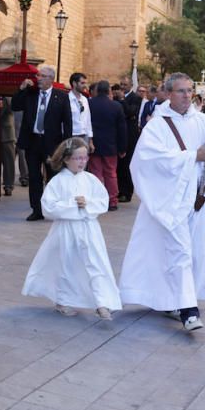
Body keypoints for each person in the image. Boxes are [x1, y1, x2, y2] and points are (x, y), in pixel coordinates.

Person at [118, 73, 205, 332]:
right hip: (168, 200)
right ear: (169, 94)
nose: (186, 96)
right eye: (181, 91)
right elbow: (147, 161)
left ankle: (172, 299)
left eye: (189, 90)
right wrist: (192, 156)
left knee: (190, 251)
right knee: (179, 251)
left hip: (197, 199)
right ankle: (189, 310)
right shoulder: (157, 126)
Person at [22, 137, 121, 320]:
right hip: (66, 230)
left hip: (89, 229)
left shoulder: (90, 180)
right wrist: (73, 205)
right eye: (77, 158)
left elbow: (103, 201)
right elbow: (48, 207)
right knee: (67, 265)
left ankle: (102, 302)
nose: (82, 162)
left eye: (85, 158)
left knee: (96, 263)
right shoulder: (58, 182)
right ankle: (63, 300)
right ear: (66, 159)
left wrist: (88, 204)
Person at [13, 65, 72, 221]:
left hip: (52, 144)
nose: (38, 78)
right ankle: (36, 210)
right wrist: (21, 88)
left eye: (42, 76)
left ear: (50, 79)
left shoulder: (61, 96)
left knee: (53, 178)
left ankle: (53, 208)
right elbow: (15, 105)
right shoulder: (30, 94)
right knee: (34, 177)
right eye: (38, 75)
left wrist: (66, 146)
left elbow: (67, 122)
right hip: (32, 142)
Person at [88, 80, 126, 211]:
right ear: (108, 91)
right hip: (111, 145)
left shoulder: (89, 104)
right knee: (111, 173)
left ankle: (98, 199)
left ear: (97, 90)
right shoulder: (116, 106)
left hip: (94, 144)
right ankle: (112, 200)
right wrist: (122, 148)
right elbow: (122, 129)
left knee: (96, 172)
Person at [118, 81, 144, 203]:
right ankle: (119, 190)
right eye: (121, 84)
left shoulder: (136, 98)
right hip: (119, 133)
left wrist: (122, 100)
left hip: (130, 135)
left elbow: (130, 112)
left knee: (127, 164)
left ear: (131, 85)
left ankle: (127, 192)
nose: (122, 87)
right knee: (119, 165)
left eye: (125, 85)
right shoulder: (116, 97)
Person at [67, 73, 93, 148]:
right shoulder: (66, 99)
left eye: (85, 83)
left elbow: (88, 120)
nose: (85, 86)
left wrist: (90, 140)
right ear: (74, 83)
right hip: (71, 136)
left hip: (84, 136)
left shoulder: (84, 99)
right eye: (82, 83)